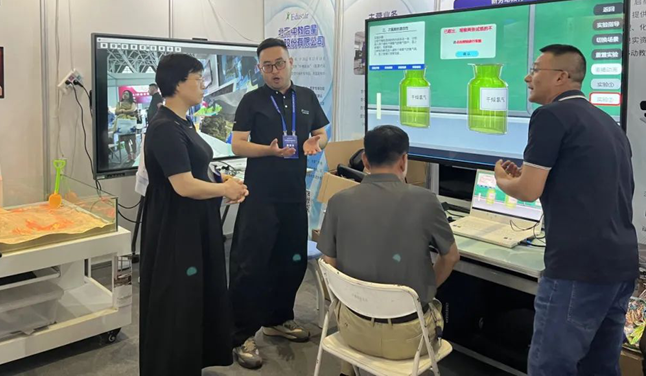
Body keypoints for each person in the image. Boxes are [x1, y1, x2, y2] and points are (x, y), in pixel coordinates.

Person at [494, 44, 638, 376]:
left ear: (560, 77)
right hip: (620, 266)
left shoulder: (550, 116)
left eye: (535, 69)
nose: (528, 77)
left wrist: (502, 181)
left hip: (578, 268)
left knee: (550, 367)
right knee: (600, 366)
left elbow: (528, 191)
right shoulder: (607, 123)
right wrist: (529, 176)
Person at [317, 125, 460, 376]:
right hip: (409, 341)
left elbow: (329, 263)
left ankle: (347, 371)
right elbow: (451, 257)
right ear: (404, 160)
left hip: (352, 333)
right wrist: (419, 293)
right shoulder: (426, 200)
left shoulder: (339, 201)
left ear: (364, 160)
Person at [139, 53, 249, 376]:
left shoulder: (182, 122)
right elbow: (184, 185)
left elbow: (196, 169)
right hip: (177, 229)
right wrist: (224, 189)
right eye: (198, 79)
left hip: (194, 223)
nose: (203, 85)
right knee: (179, 300)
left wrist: (221, 181)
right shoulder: (164, 128)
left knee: (195, 297)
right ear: (177, 84)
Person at [229, 37, 330, 369]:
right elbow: (238, 145)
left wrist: (316, 142)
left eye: (280, 63)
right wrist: (268, 151)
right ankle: (241, 334)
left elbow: (322, 133)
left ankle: (278, 319)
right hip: (260, 195)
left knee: (291, 260)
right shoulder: (252, 100)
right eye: (267, 66)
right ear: (260, 68)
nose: (274, 70)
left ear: (291, 63)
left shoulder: (307, 97)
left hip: (293, 194)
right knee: (251, 264)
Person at [115, 90, 139, 162]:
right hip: (122, 124)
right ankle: (129, 156)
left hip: (130, 123)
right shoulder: (119, 103)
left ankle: (134, 155)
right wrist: (127, 111)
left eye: (127, 94)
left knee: (133, 140)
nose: (125, 95)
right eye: (124, 93)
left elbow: (132, 110)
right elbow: (116, 112)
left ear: (130, 95)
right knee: (126, 141)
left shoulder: (133, 103)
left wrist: (122, 111)